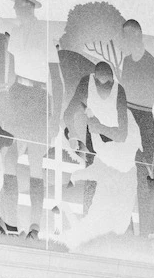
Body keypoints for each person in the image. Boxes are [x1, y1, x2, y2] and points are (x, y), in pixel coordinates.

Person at [0, 0, 61, 240]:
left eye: (19, 4)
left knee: (36, 163)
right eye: (15, 4)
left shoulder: (44, 34)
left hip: (37, 98)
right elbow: (9, 70)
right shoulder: (13, 32)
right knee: (9, 158)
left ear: (29, 6)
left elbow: (56, 78)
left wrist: (56, 116)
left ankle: (35, 226)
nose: (15, 8)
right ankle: (10, 223)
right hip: (16, 96)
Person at [60, 62, 142, 250]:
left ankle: (122, 240)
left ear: (113, 81)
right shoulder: (86, 84)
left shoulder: (118, 92)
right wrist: (73, 135)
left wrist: (99, 127)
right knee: (97, 189)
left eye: (109, 84)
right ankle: (90, 238)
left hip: (120, 143)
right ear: (95, 80)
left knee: (119, 196)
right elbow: (68, 114)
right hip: (99, 139)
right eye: (101, 84)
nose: (105, 88)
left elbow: (121, 134)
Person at [120, 19, 154, 236]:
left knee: (147, 182)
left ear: (138, 34)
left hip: (146, 123)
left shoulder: (152, 65)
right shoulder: (127, 62)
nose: (126, 41)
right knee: (126, 178)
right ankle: (126, 230)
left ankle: (148, 235)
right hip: (129, 124)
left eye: (129, 35)